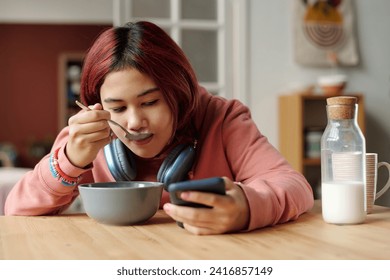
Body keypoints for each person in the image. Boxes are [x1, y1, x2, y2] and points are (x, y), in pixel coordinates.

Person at [5, 21, 314, 235]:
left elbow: (295, 186)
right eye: (118, 108)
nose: (134, 122)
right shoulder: (89, 135)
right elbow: (17, 210)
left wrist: (247, 207)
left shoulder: (222, 118)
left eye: (150, 102)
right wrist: (69, 161)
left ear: (177, 93)